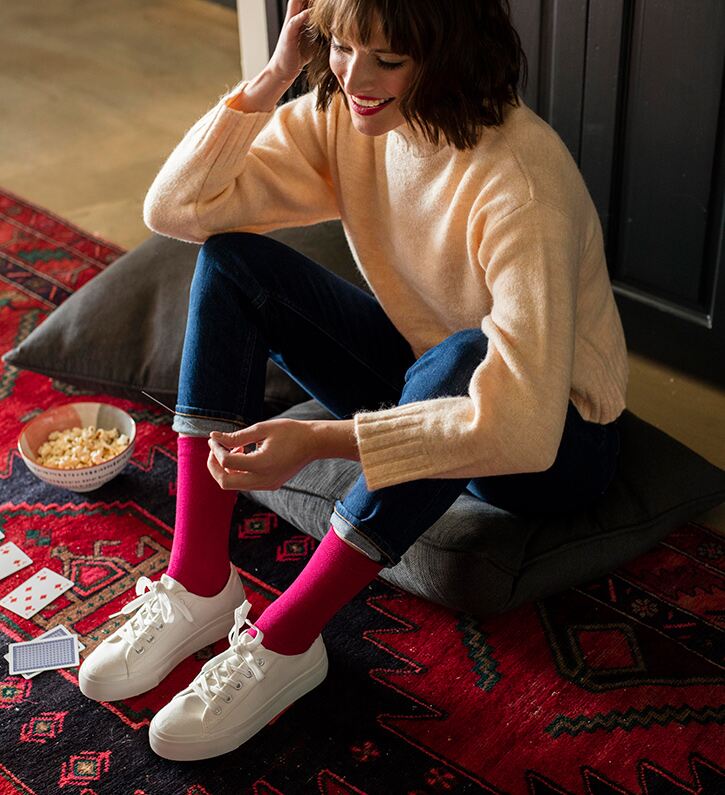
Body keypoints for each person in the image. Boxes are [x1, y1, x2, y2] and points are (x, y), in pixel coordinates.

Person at [78, 0, 628, 761]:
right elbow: (178, 208)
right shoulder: (344, 115)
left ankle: (288, 639)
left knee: (462, 361)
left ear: (448, 56)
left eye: (387, 59)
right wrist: (275, 76)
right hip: (425, 378)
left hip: (553, 443)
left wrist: (320, 441)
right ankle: (200, 581)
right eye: (339, 46)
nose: (355, 77)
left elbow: (526, 430)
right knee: (235, 263)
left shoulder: (520, 180)